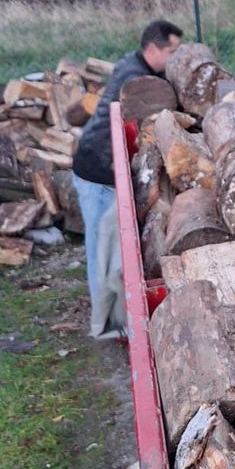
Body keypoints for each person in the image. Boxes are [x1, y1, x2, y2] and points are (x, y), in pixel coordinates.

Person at [71, 19, 182, 339]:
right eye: (172, 51)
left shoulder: (138, 67)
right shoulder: (135, 79)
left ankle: (113, 318)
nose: (176, 58)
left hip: (108, 168)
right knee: (102, 246)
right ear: (152, 49)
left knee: (109, 246)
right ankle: (106, 326)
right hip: (98, 171)